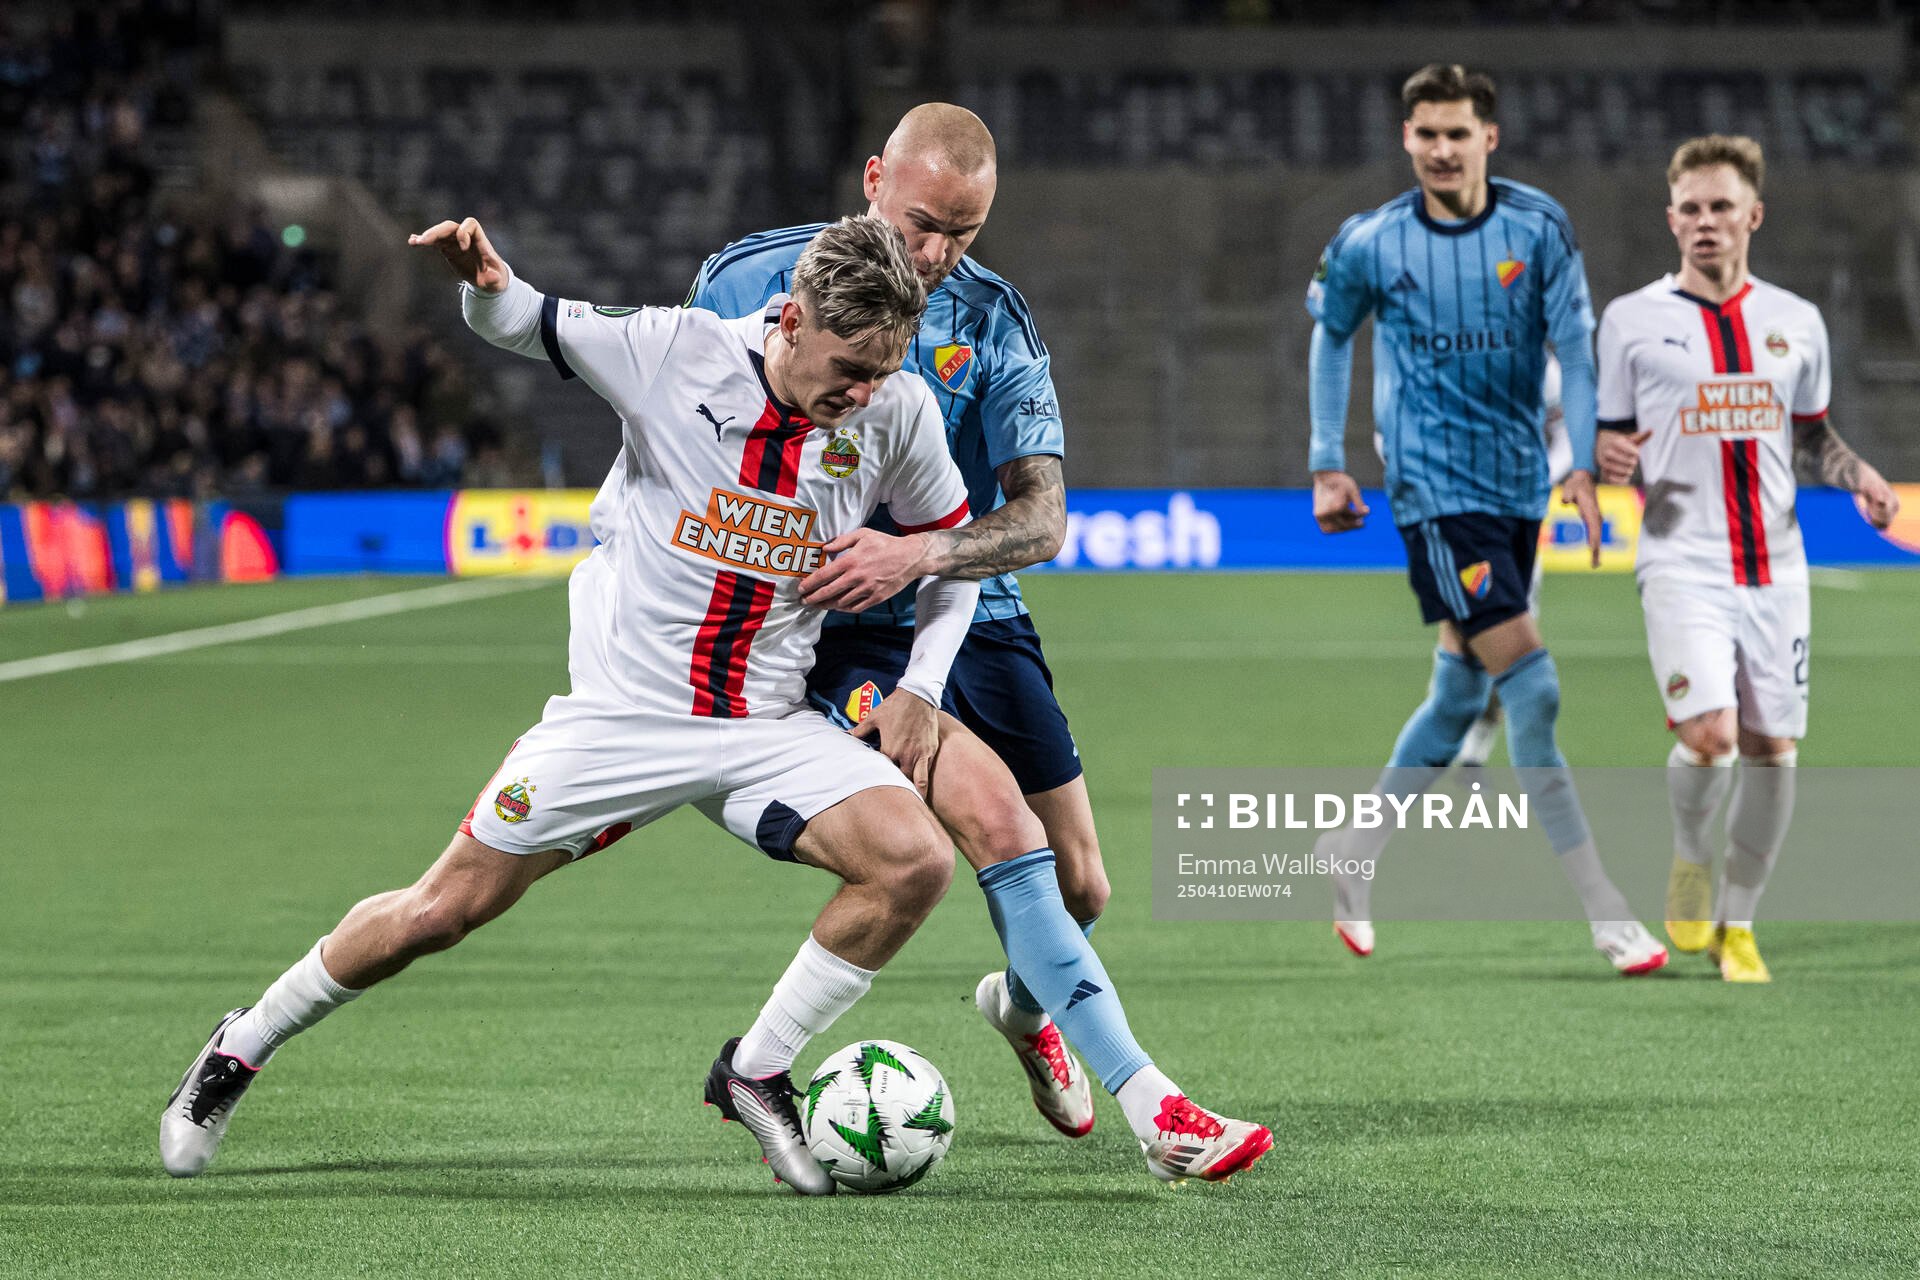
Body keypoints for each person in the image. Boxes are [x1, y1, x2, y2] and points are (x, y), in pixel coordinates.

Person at [162, 215, 1271, 1193]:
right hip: (621, 720)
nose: (863, 394)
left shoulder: (897, 410)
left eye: (882, 371)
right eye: (849, 368)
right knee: (438, 913)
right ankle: (243, 1042)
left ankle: (756, 1069)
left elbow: (948, 561)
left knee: (913, 862)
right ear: (788, 319)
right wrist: (483, 283)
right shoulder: (671, 351)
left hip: (765, 724)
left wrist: (921, 689)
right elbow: (525, 320)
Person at [685, 104, 1110, 1138]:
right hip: (840, 623)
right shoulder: (747, 278)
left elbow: (1043, 517)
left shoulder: (995, 319)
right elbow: (677, 425)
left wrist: (920, 554)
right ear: (874, 180)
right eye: (922, 224)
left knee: (1082, 887)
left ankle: (1024, 1009)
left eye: (963, 233)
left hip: (975, 601)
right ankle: (762, 1064)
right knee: (986, 827)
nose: (935, 255)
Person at [1305, 64, 1666, 974]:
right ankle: (1606, 910)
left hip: (1516, 488)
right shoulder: (1372, 241)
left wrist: (1580, 459)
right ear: (1407, 139)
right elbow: (1331, 332)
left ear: (1488, 139)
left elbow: (1575, 346)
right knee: (1532, 690)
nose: (1441, 149)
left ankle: (1352, 851)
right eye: (1426, 133)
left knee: (1461, 697)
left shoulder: (1537, 226)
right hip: (1434, 492)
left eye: (1457, 133)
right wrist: (1326, 461)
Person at [1593, 135, 1900, 982]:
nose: (1705, 222)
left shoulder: (1796, 322)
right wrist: (1605, 458)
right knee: (1711, 736)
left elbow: (1813, 436)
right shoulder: (1630, 322)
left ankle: (1739, 924)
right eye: (1690, 208)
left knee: (1773, 752)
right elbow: (1609, 436)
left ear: (1753, 216)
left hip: (1778, 567)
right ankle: (1692, 855)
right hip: (1679, 562)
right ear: (1671, 219)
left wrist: (1861, 476)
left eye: (1721, 207)